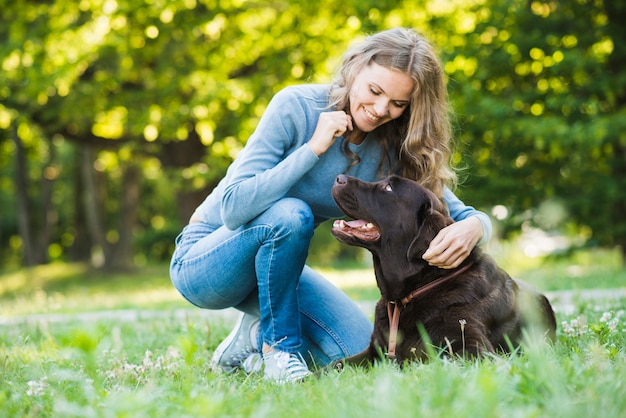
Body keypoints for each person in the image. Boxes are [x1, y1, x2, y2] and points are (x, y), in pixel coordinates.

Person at [169, 27, 492, 383]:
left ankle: (250, 337)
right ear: (355, 69)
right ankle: (279, 350)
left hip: (278, 268)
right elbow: (233, 209)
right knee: (291, 215)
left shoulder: (397, 144)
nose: (382, 109)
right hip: (206, 260)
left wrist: (476, 227)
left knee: (358, 348)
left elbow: (460, 214)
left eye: (399, 103)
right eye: (375, 91)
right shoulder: (296, 106)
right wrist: (313, 149)